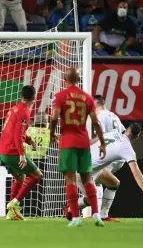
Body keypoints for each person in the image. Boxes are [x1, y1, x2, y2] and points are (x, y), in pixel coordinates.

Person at [49, 68, 106, 227]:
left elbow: (54, 117)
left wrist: (52, 133)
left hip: (68, 141)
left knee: (70, 179)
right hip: (84, 142)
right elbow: (96, 123)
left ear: (65, 79)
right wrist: (101, 143)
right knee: (88, 178)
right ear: (79, 80)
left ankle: (76, 217)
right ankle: (96, 214)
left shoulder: (60, 96)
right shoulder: (87, 98)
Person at [67, 124, 143, 220]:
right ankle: (70, 208)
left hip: (84, 163)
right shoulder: (127, 149)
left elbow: (91, 142)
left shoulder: (113, 133)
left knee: (114, 183)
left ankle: (103, 215)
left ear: (126, 130)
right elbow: (136, 173)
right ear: (137, 137)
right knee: (93, 200)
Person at [0, 85, 42, 221]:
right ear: (34, 98)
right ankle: (14, 203)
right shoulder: (25, 112)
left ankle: (11, 213)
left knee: (20, 179)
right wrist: (22, 154)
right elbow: (16, 135)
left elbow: (13, 131)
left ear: (22, 96)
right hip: (12, 152)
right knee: (37, 175)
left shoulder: (14, 109)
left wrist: (29, 140)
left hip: (1, 151)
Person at [91, 95, 125, 221]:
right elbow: (123, 133)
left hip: (109, 154)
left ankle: (97, 214)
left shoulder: (99, 116)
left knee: (95, 178)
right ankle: (103, 213)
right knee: (109, 182)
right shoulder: (113, 115)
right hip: (120, 156)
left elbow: (103, 137)